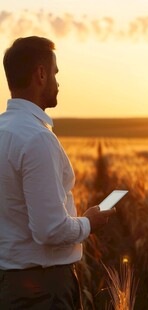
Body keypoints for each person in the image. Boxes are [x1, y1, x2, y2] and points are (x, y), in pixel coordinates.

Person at [0, 36, 115, 309]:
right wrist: (88, 223)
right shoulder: (37, 138)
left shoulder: (4, 131)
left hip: (9, 284)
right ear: (40, 74)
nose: (58, 82)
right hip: (42, 291)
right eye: (55, 73)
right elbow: (49, 230)